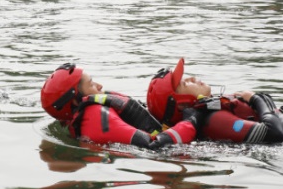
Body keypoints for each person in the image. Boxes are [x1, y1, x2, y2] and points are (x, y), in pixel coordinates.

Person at [145, 58, 283, 145]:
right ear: (182, 103)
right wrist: (259, 100)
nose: (192, 78)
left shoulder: (215, 109)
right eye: (185, 83)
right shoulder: (215, 120)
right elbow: (273, 134)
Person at [40, 63, 201, 150]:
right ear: (76, 100)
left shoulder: (91, 110)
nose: (99, 85)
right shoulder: (95, 117)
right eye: (91, 84)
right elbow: (154, 146)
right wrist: (192, 119)